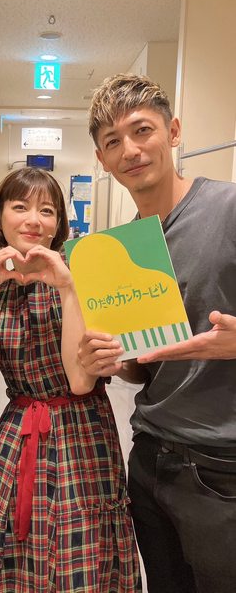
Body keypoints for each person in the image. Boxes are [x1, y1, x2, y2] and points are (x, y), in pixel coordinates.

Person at [0, 167, 141, 592]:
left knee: (78, 544)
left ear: (58, 224)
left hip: (82, 430)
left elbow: (80, 381)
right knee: (6, 543)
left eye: (47, 211)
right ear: (0, 217)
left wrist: (68, 288)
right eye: (21, 207)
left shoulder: (82, 275)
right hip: (18, 430)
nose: (34, 219)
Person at [79, 73, 236, 593]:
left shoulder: (228, 208)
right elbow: (142, 363)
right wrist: (110, 359)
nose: (130, 150)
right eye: (113, 141)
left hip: (221, 469)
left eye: (142, 130)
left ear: (173, 131)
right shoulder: (125, 247)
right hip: (149, 459)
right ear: (102, 160)